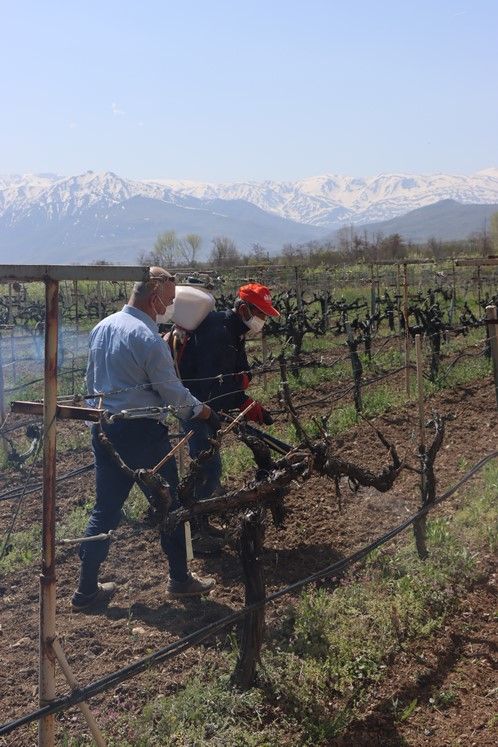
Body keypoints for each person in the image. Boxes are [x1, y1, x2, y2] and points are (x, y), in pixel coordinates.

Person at [71, 267, 217, 612]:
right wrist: (203, 412)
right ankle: (181, 580)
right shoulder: (148, 339)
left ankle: (86, 590)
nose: (170, 306)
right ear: (153, 296)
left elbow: (92, 382)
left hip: (104, 427)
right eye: (168, 299)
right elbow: (172, 394)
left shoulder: (102, 327)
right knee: (171, 506)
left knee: (105, 509)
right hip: (142, 434)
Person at [168, 283, 280, 553]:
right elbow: (213, 387)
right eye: (261, 314)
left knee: (209, 465)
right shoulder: (218, 332)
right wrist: (245, 402)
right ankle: (196, 530)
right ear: (243, 309)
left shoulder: (234, 331)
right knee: (208, 467)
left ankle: (201, 519)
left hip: (207, 405)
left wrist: (242, 383)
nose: (262, 321)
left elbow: (237, 372)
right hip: (195, 406)